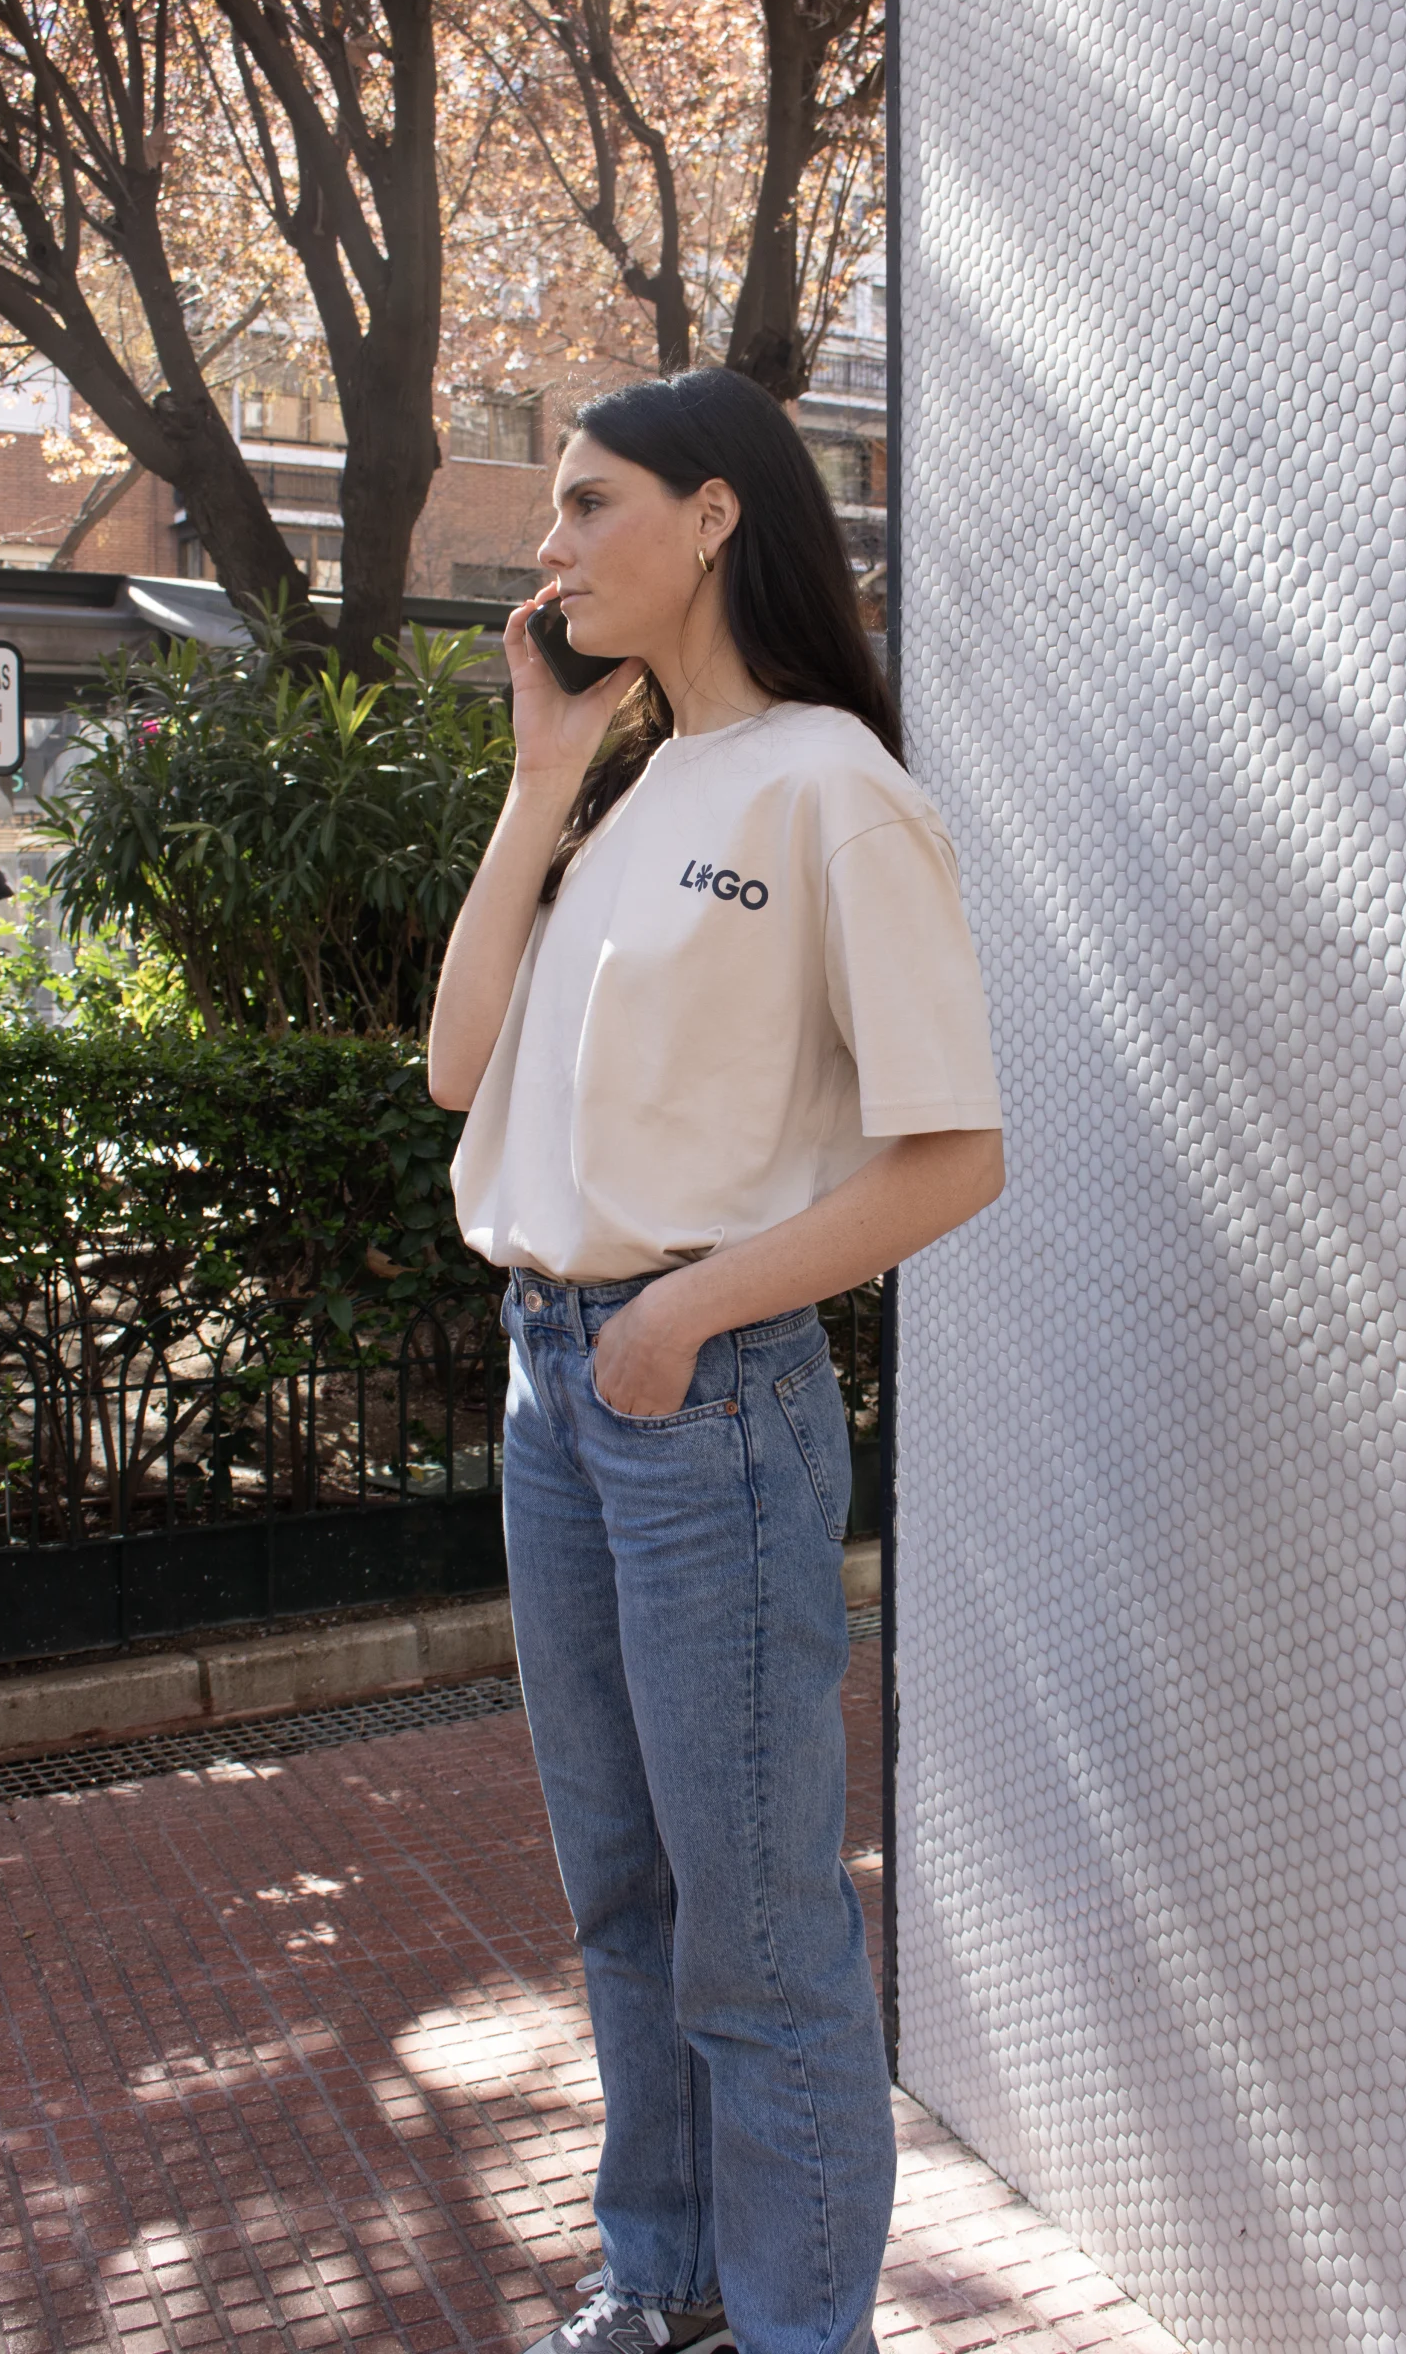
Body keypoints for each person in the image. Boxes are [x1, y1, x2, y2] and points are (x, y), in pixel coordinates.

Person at [428, 368, 1004, 2354]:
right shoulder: (642, 785)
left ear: (712, 517)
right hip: (552, 1388)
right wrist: (536, 783)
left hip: (704, 1396)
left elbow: (956, 1153)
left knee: (756, 1944)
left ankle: (790, 2326)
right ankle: (660, 2280)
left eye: (589, 502)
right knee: (625, 1897)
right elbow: (450, 1065)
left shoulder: (833, 789)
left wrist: (683, 1312)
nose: (551, 541)